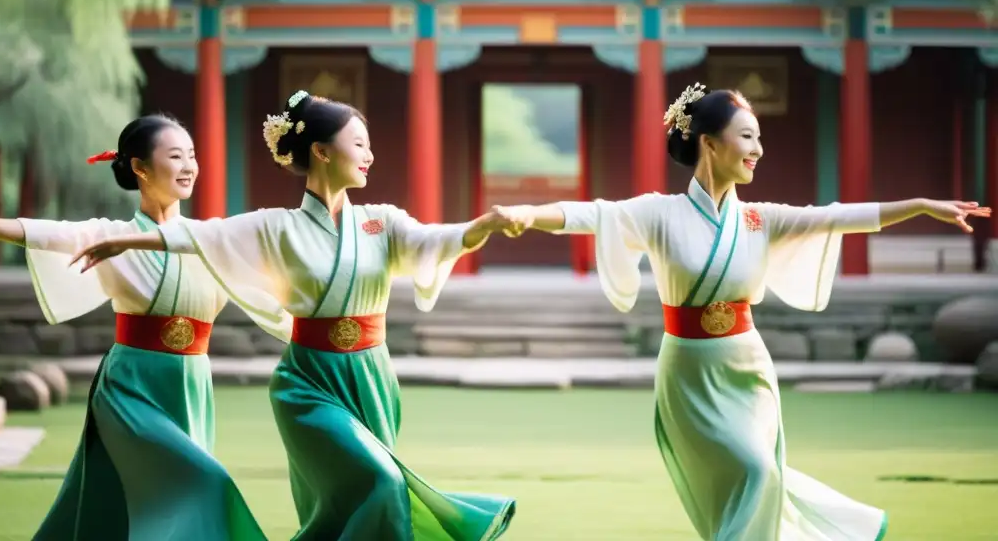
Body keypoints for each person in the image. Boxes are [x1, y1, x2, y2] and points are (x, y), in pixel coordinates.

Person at [490, 83, 990, 541]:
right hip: (689, 370)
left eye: (759, 138)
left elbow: (837, 217)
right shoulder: (660, 213)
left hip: (747, 366)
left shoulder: (758, 219)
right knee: (752, 473)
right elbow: (591, 215)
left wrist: (921, 205)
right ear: (709, 143)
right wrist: (528, 214)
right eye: (747, 137)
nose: (758, 150)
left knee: (762, 474)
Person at [68, 91, 517, 541]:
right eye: (358, 144)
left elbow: (436, 240)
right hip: (307, 382)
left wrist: (483, 226)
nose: (369, 155)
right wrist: (129, 242)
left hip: (372, 376)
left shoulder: (383, 222)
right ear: (321, 151)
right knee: (385, 481)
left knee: (349, 503)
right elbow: (205, 237)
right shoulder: (276, 225)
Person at [0, 115, 285, 541]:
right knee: (202, 482)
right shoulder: (109, 234)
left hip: (191, 382)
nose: (189, 166)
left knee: (136, 498)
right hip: (131, 385)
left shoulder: (209, 238)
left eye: (192, 156)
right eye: (176, 156)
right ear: (140, 167)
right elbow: (44, 233)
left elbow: (273, 246)